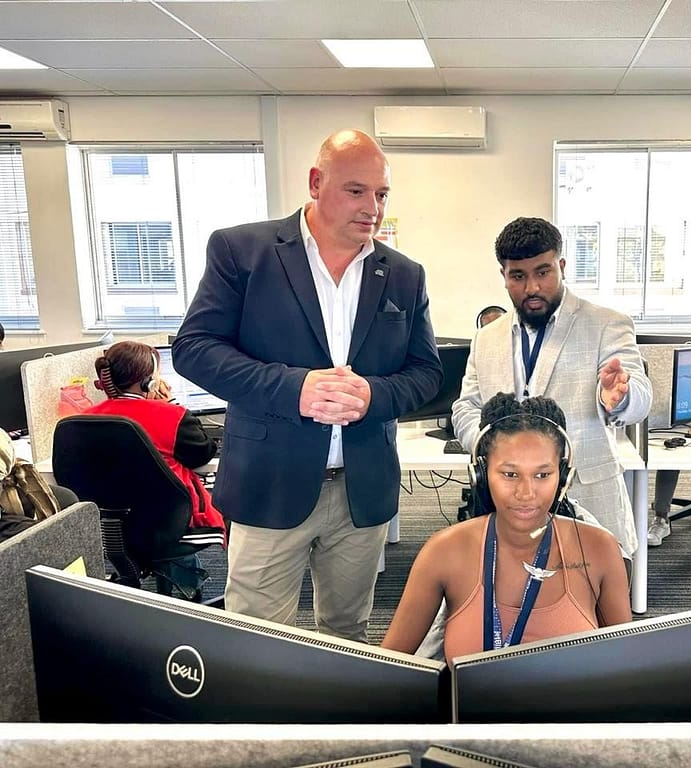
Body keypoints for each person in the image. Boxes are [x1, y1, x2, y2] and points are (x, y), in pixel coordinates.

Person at [172, 129, 442, 641]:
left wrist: (374, 396)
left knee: (348, 634)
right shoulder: (242, 251)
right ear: (316, 183)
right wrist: (293, 388)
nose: (372, 208)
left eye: (382, 194)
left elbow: (426, 372)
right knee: (257, 638)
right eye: (356, 191)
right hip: (269, 481)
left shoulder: (404, 274)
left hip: (362, 487)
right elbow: (195, 348)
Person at [453, 217, 652, 558]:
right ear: (504, 275)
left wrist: (619, 398)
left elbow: (640, 397)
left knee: (597, 592)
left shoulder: (607, 324)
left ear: (561, 266)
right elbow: (465, 407)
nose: (532, 287)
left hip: (588, 501)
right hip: (509, 507)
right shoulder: (486, 338)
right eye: (518, 276)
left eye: (543, 272)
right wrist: (492, 446)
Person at [382, 393, 632, 662]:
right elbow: (388, 666)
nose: (526, 493)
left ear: (563, 477)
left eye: (543, 475)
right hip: (470, 693)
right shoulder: (444, 552)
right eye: (510, 474)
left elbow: (626, 667)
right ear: (480, 474)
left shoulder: (599, 550)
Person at [86, 341, 225, 599]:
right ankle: (189, 594)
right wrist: (170, 404)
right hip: (170, 524)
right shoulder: (171, 416)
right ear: (149, 382)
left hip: (109, 529)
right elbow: (203, 452)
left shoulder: (84, 419)